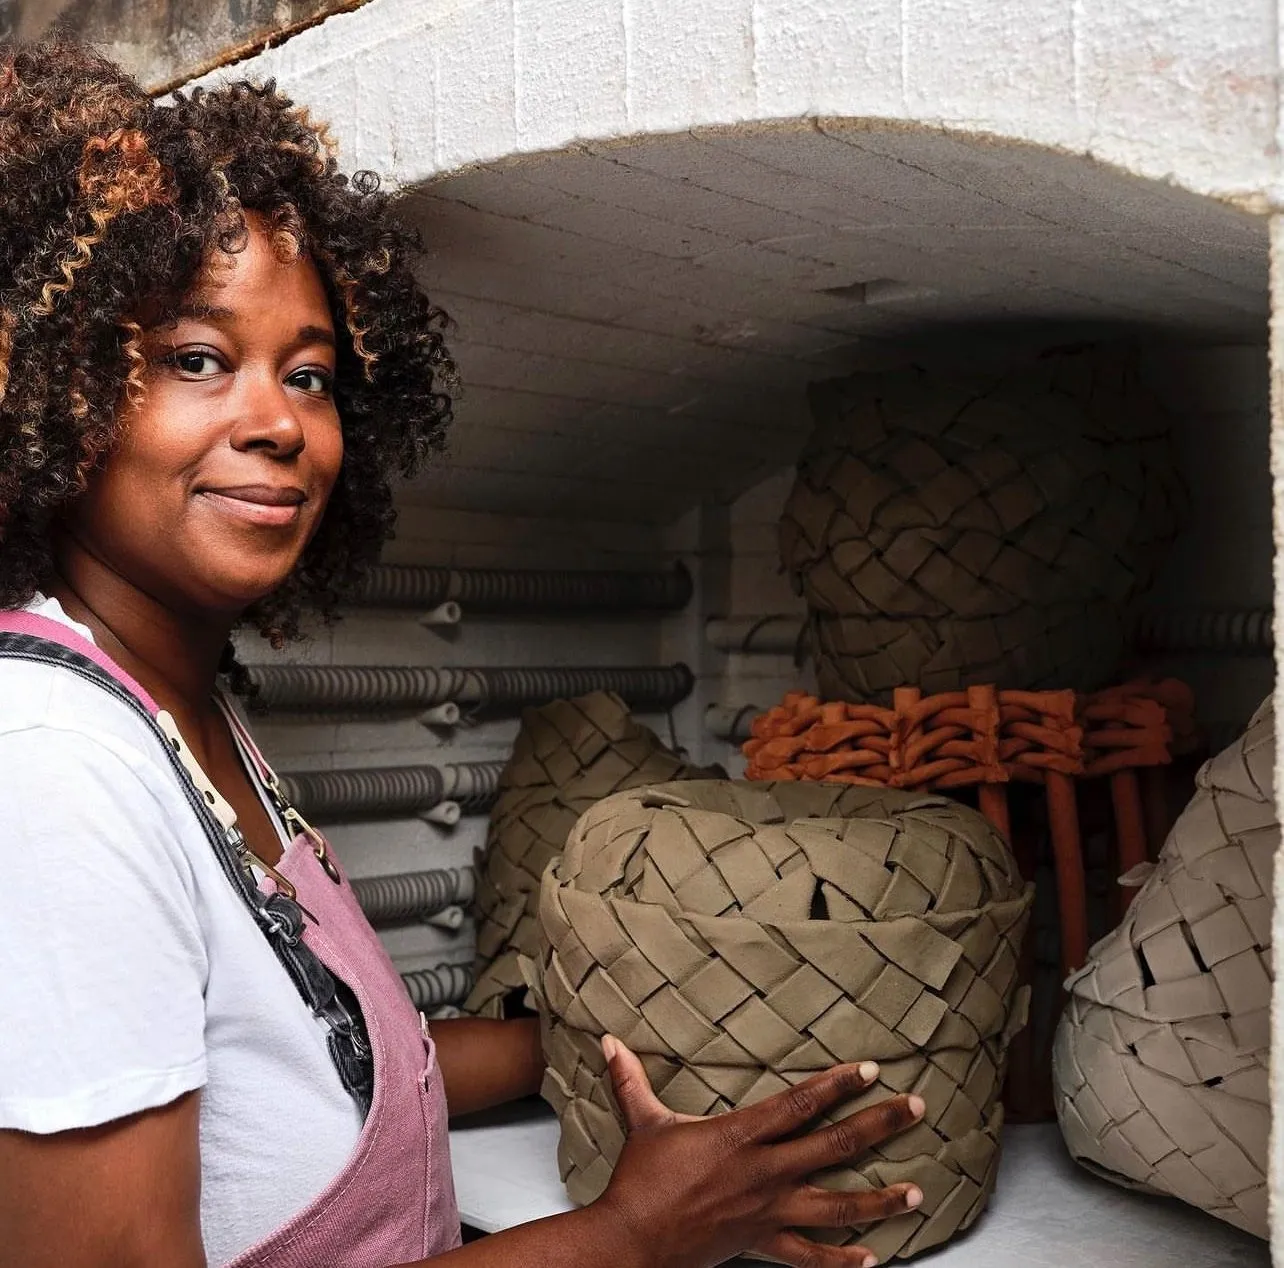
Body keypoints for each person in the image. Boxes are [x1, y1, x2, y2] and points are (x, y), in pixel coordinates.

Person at [0, 42, 926, 1268]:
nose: (279, 421)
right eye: (196, 359)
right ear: (51, 389)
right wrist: (639, 1231)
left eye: (313, 373)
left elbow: (318, 1064)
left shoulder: (173, 702)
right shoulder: (54, 764)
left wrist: (628, 1015)